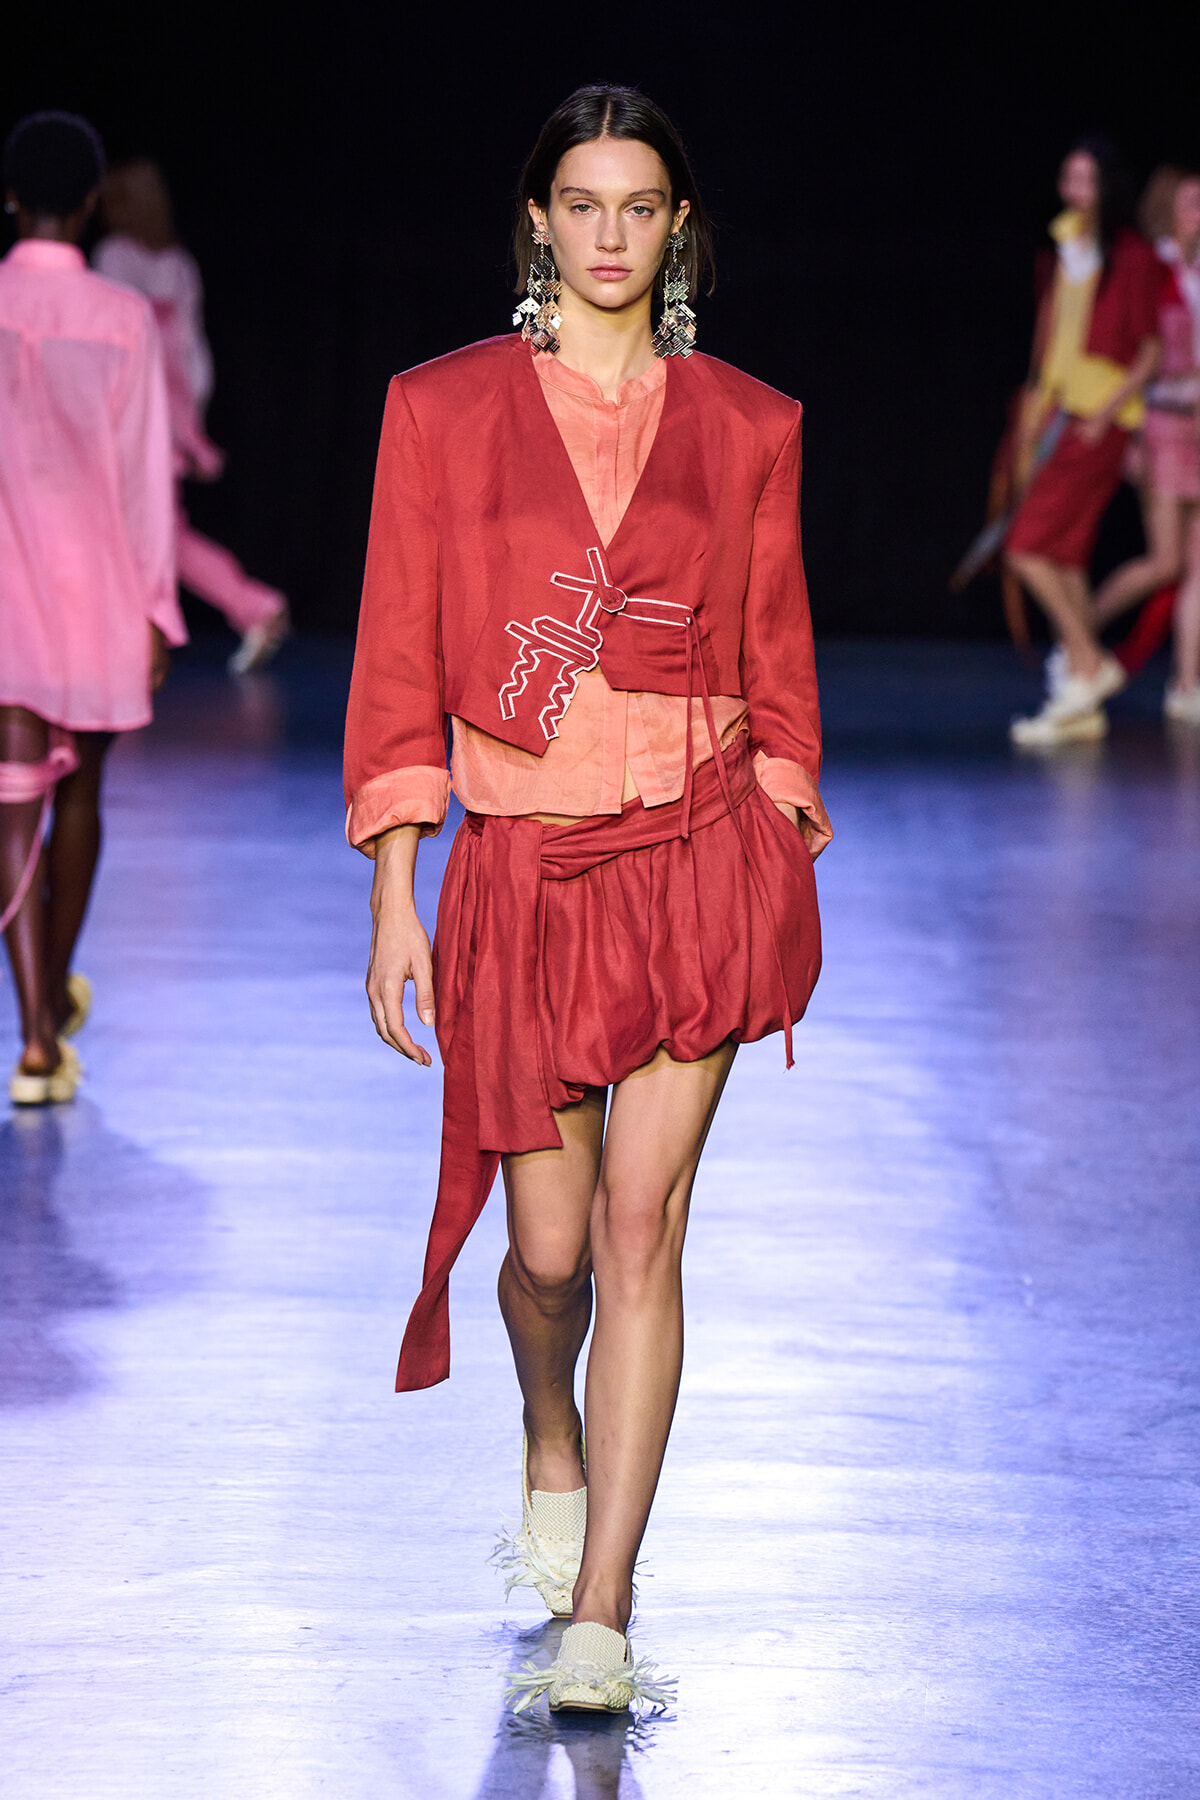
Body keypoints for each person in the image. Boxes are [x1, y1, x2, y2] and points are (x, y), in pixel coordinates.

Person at [343, 85, 832, 1714]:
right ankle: (547, 1428)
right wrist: (399, 894)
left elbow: (779, 660)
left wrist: (775, 845)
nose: (611, 235)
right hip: (525, 878)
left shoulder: (749, 426)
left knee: (640, 1227)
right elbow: (402, 655)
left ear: (678, 225)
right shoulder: (447, 410)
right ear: (539, 221)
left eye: (640, 206)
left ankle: (606, 1605)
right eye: (583, 203)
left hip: (693, 865)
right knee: (544, 1253)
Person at [0, 112, 183, 1105]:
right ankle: (46, 1017)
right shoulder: (118, 318)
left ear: (12, 198)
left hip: (4, 590)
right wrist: (156, 609)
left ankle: (35, 1033)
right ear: (88, 200)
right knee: (78, 801)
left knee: (7, 813)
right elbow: (141, 479)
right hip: (97, 586)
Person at [94, 159, 290, 676]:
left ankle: (142, 639)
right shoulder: (179, 264)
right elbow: (191, 353)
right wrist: (189, 423)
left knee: (138, 532)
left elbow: (116, 346)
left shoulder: (114, 256)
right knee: (158, 532)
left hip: (132, 414)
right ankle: (250, 607)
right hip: (167, 412)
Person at [1006, 137, 1160, 746]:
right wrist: (1034, 410)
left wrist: (1109, 414)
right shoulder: (1063, 243)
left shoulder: (1132, 255)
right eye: (1069, 177)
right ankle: (1079, 693)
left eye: (1086, 180)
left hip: (1101, 418)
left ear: (1107, 188)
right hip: (1061, 414)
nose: (1075, 190)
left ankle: (1088, 664)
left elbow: (1150, 351)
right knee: (1064, 554)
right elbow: (1052, 342)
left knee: (1026, 549)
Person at [1089, 167, 1200, 723]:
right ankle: (1079, 632)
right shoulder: (1152, 269)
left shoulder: (1196, 271)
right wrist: (1130, 436)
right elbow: (1132, 356)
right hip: (1163, 426)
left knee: (1197, 565)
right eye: (1192, 203)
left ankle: (1186, 685)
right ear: (1168, 209)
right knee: (1164, 561)